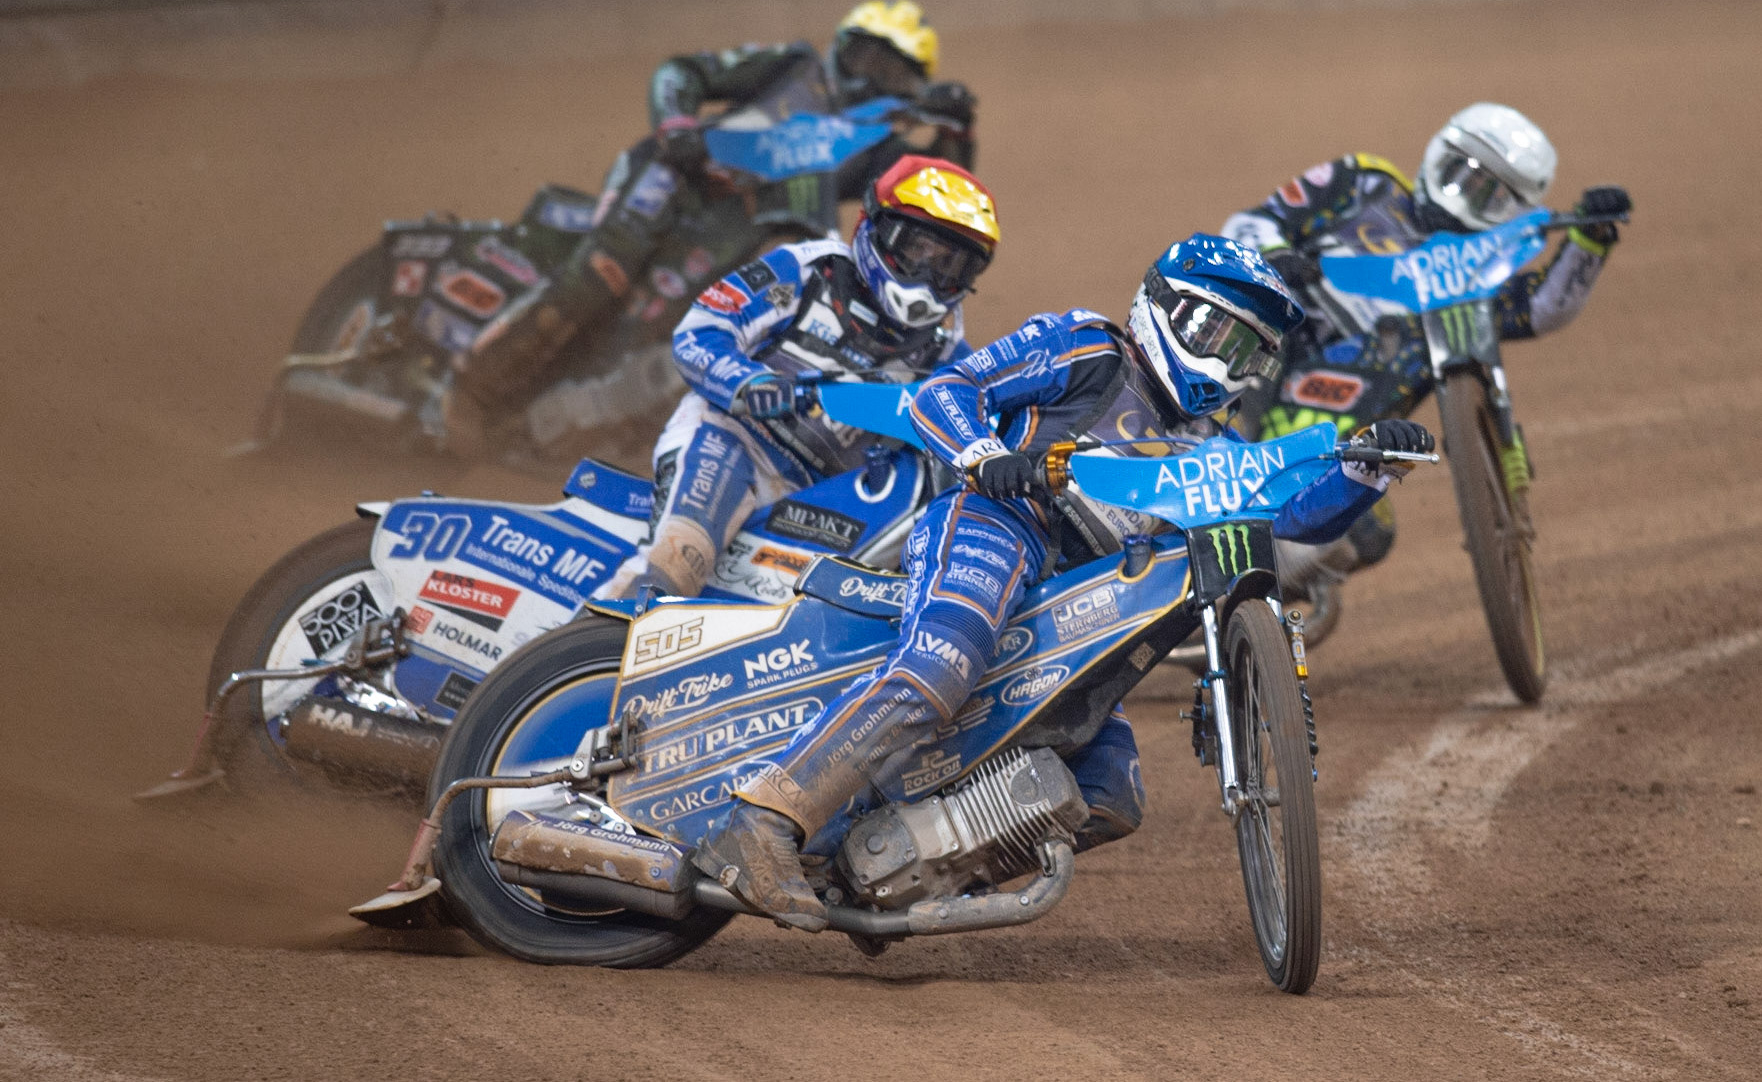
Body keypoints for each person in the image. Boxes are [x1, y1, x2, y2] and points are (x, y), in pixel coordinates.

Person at [693, 234, 1435, 931]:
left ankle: (886, 877)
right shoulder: (1086, 345)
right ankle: (760, 823)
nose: (1230, 365)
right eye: (1219, 338)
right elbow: (943, 392)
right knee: (936, 671)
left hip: (1084, 603)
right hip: (998, 521)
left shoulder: (1215, 443)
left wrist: (1364, 472)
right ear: (1167, 310)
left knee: (1112, 794)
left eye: (1250, 353)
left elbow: (1293, 515)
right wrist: (985, 455)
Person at [450, 0, 978, 445]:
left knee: (657, 337)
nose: (873, 77)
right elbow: (681, 71)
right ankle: (466, 393)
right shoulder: (795, 66)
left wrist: (957, 129)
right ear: (842, 46)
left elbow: (933, 203)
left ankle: (538, 428)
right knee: (598, 277)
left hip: (732, 233)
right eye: (869, 56)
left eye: (895, 72)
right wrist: (677, 125)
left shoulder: (875, 144)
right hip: (676, 178)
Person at [1217, 101, 1630, 587]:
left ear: (1514, 212)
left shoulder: (1476, 285)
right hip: (1269, 354)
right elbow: (1251, 222)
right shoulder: (1363, 180)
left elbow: (1542, 307)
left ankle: (1250, 602)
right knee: (1252, 301)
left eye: (1494, 198)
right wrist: (1275, 254)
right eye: (1465, 177)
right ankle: (1220, 438)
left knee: (1371, 530)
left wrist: (1592, 239)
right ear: (1440, 154)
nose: (1470, 199)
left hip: (1328, 437)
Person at [594, 154, 998, 599]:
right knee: (678, 561)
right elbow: (699, 332)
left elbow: (979, 435)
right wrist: (750, 384)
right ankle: (591, 645)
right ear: (876, 227)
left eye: (951, 266)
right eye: (918, 250)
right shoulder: (807, 271)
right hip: (734, 444)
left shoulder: (948, 354)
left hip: (826, 502)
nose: (929, 276)